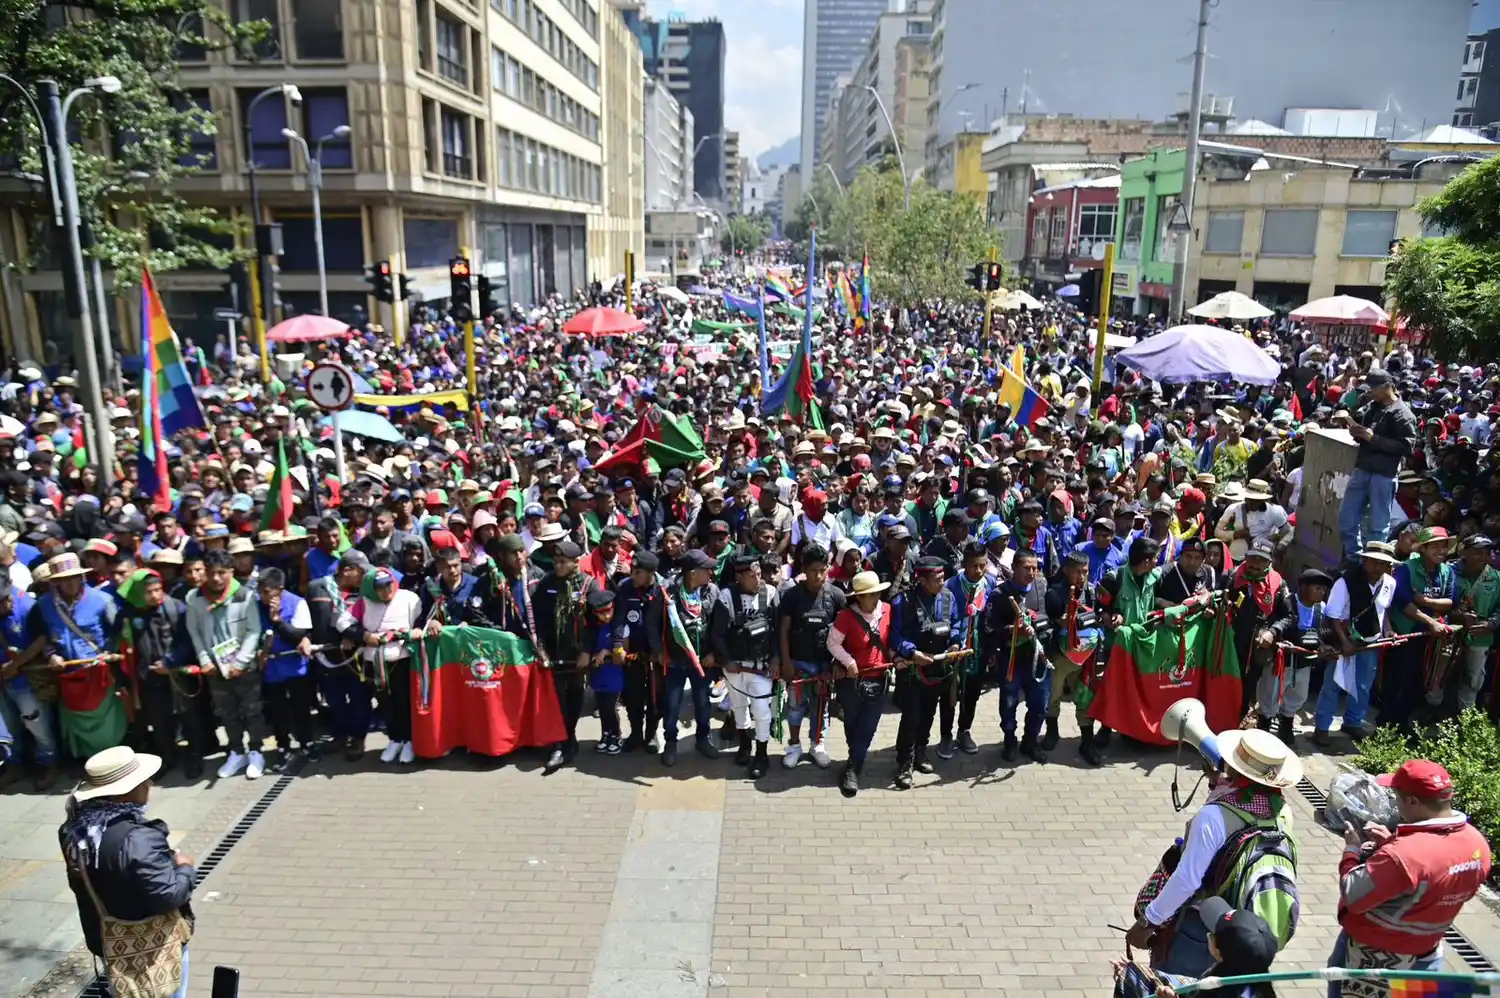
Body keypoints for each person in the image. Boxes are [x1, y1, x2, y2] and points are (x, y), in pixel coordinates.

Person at [1128, 728, 1302, 978]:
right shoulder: (1282, 810)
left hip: (1201, 931)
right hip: (1244, 933)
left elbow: (1187, 880)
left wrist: (1147, 923)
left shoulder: (1213, 817)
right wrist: (1218, 782)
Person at [1329, 760, 1492, 997]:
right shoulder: (1477, 844)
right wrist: (1390, 845)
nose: (1394, 802)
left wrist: (1352, 850)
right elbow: (1434, 877)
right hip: (1426, 957)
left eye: (1396, 796)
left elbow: (1353, 894)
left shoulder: (1402, 856)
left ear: (1413, 802)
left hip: (1374, 963)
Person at [60, 747, 195, 998]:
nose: (150, 783)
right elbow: (167, 896)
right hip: (154, 947)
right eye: (143, 780)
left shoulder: (74, 831)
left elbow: (80, 883)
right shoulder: (139, 839)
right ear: (123, 793)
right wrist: (185, 868)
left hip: (109, 940)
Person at [185, 549, 265, 779]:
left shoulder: (244, 596)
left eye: (222, 572)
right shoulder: (194, 598)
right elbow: (195, 631)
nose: (217, 578)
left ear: (231, 572)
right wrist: (204, 660)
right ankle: (237, 751)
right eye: (212, 573)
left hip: (243, 666)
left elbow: (254, 631)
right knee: (227, 712)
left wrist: (241, 662)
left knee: (252, 710)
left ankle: (257, 751)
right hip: (215, 667)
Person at [1314, 542, 1399, 747]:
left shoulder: (1389, 582)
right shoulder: (1345, 582)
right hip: (1343, 639)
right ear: (1365, 560)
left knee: (1363, 685)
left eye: (1384, 563)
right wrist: (1344, 642)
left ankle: (1353, 722)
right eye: (1375, 562)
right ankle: (1322, 727)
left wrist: (1387, 630)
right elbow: (1333, 615)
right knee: (1333, 684)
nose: (1378, 567)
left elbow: (1383, 610)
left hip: (1371, 641)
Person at [889, 556, 961, 788]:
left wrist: (955, 643)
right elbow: (896, 636)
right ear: (921, 580)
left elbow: (957, 623)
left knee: (929, 713)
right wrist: (911, 653)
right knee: (912, 716)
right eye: (936, 579)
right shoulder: (903, 602)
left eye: (943, 578)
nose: (942, 583)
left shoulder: (948, 597)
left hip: (939, 667)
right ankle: (904, 762)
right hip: (913, 669)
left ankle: (921, 751)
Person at [531, 539, 601, 773]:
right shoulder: (547, 583)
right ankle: (558, 745)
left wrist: (586, 652)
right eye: (555, 561)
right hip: (553, 654)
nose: (558, 566)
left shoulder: (589, 585)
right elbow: (538, 620)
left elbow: (596, 623)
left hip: (577, 656)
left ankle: (569, 739)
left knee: (574, 702)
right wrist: (540, 649)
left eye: (563, 562)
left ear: (575, 562)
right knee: (556, 702)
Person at [708, 552, 779, 778]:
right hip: (735, 667)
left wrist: (776, 658)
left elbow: (779, 630)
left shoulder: (770, 593)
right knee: (738, 707)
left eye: (759, 574)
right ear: (739, 577)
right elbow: (717, 634)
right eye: (751, 576)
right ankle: (745, 745)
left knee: (761, 710)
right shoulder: (727, 597)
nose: (757, 579)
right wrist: (726, 661)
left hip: (761, 666)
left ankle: (762, 753)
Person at [774, 543, 844, 770]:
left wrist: (838, 663)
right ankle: (794, 746)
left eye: (823, 570)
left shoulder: (836, 595)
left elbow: (845, 633)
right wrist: (786, 662)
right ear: (804, 569)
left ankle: (817, 744)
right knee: (795, 708)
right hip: (798, 664)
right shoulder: (791, 595)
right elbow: (783, 630)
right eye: (813, 570)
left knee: (821, 707)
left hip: (825, 664)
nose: (818, 575)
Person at [648, 548, 720, 765]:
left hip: (702, 662)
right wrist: (658, 652)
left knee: (702, 701)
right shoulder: (667, 592)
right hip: (675, 660)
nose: (711, 572)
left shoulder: (712, 591)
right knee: (672, 703)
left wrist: (713, 653)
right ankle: (670, 743)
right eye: (706, 569)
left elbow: (718, 625)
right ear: (692, 573)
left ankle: (703, 738)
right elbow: (651, 623)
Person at [1383, 526, 1457, 735]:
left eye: (1444, 546)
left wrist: (1424, 600)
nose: (1441, 551)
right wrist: (1430, 619)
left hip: (1433, 638)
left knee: (1419, 682)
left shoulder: (1447, 571)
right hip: (1405, 634)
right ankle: (1387, 727)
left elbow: (1450, 602)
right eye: (1435, 546)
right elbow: (1404, 603)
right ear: (1423, 548)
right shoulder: (1406, 569)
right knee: (1398, 680)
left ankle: (1405, 725)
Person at [1338, 369, 1418, 563]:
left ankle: (1372, 564)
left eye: (1373, 388)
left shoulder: (1403, 414)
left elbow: (1407, 447)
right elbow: (1366, 436)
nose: (1370, 392)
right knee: (1346, 520)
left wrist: (1373, 438)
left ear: (1387, 387)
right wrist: (1357, 433)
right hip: (1362, 469)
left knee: (1378, 526)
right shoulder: (1373, 407)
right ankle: (1355, 559)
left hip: (1383, 475)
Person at [826, 571, 893, 798]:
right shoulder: (845, 617)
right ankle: (856, 757)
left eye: (876, 594)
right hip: (851, 681)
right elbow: (833, 643)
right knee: (852, 724)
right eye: (869, 595)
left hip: (879, 677)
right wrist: (848, 661)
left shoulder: (887, 611)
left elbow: (891, 641)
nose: (874, 598)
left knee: (868, 726)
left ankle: (852, 769)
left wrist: (898, 658)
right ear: (858, 598)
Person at [349, 566, 423, 765]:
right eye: (380, 587)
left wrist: (416, 630)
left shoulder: (409, 598)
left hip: (402, 658)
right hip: (375, 660)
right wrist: (364, 635)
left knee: (404, 701)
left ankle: (409, 740)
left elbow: (422, 619)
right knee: (385, 703)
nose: (386, 590)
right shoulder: (365, 601)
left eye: (388, 585)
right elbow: (344, 621)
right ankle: (394, 739)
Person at [987, 548, 1051, 763]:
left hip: (1037, 657)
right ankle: (1009, 741)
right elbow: (989, 628)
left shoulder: (1041, 587)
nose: (1031, 573)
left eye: (1035, 568)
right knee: (1009, 702)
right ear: (1014, 568)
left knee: (1041, 704)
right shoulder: (999, 594)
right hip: (1011, 658)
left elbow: (1048, 619)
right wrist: (1013, 630)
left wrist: (1038, 628)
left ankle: (1030, 742)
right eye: (1026, 568)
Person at [1042, 550, 1105, 765]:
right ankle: (1052, 732)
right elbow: (1056, 621)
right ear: (1067, 571)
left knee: (1085, 698)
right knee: (1053, 696)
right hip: (1061, 656)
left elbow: (1099, 615)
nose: (1081, 577)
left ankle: (1087, 741)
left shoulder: (1092, 592)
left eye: (1085, 572)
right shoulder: (1055, 593)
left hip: (1086, 656)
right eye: (1077, 572)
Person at [1256, 569, 1333, 746]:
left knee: (1298, 693)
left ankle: (1286, 723)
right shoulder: (1286, 602)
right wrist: (1276, 640)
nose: (1322, 593)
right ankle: (1264, 724)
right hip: (1280, 659)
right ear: (1303, 586)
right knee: (1270, 692)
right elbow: (1272, 624)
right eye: (1318, 588)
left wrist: (1323, 646)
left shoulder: (1321, 608)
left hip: (1304, 661)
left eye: (1324, 590)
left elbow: (1322, 632)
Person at [1446, 534, 1500, 716]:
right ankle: (1433, 712)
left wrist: (1491, 624)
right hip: (1449, 633)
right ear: (1464, 551)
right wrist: (1458, 616)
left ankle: (1464, 718)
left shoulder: (1496, 577)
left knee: (1474, 678)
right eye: (1477, 553)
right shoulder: (1448, 572)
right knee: (1442, 674)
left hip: (1481, 635)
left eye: (1486, 553)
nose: (1482, 558)